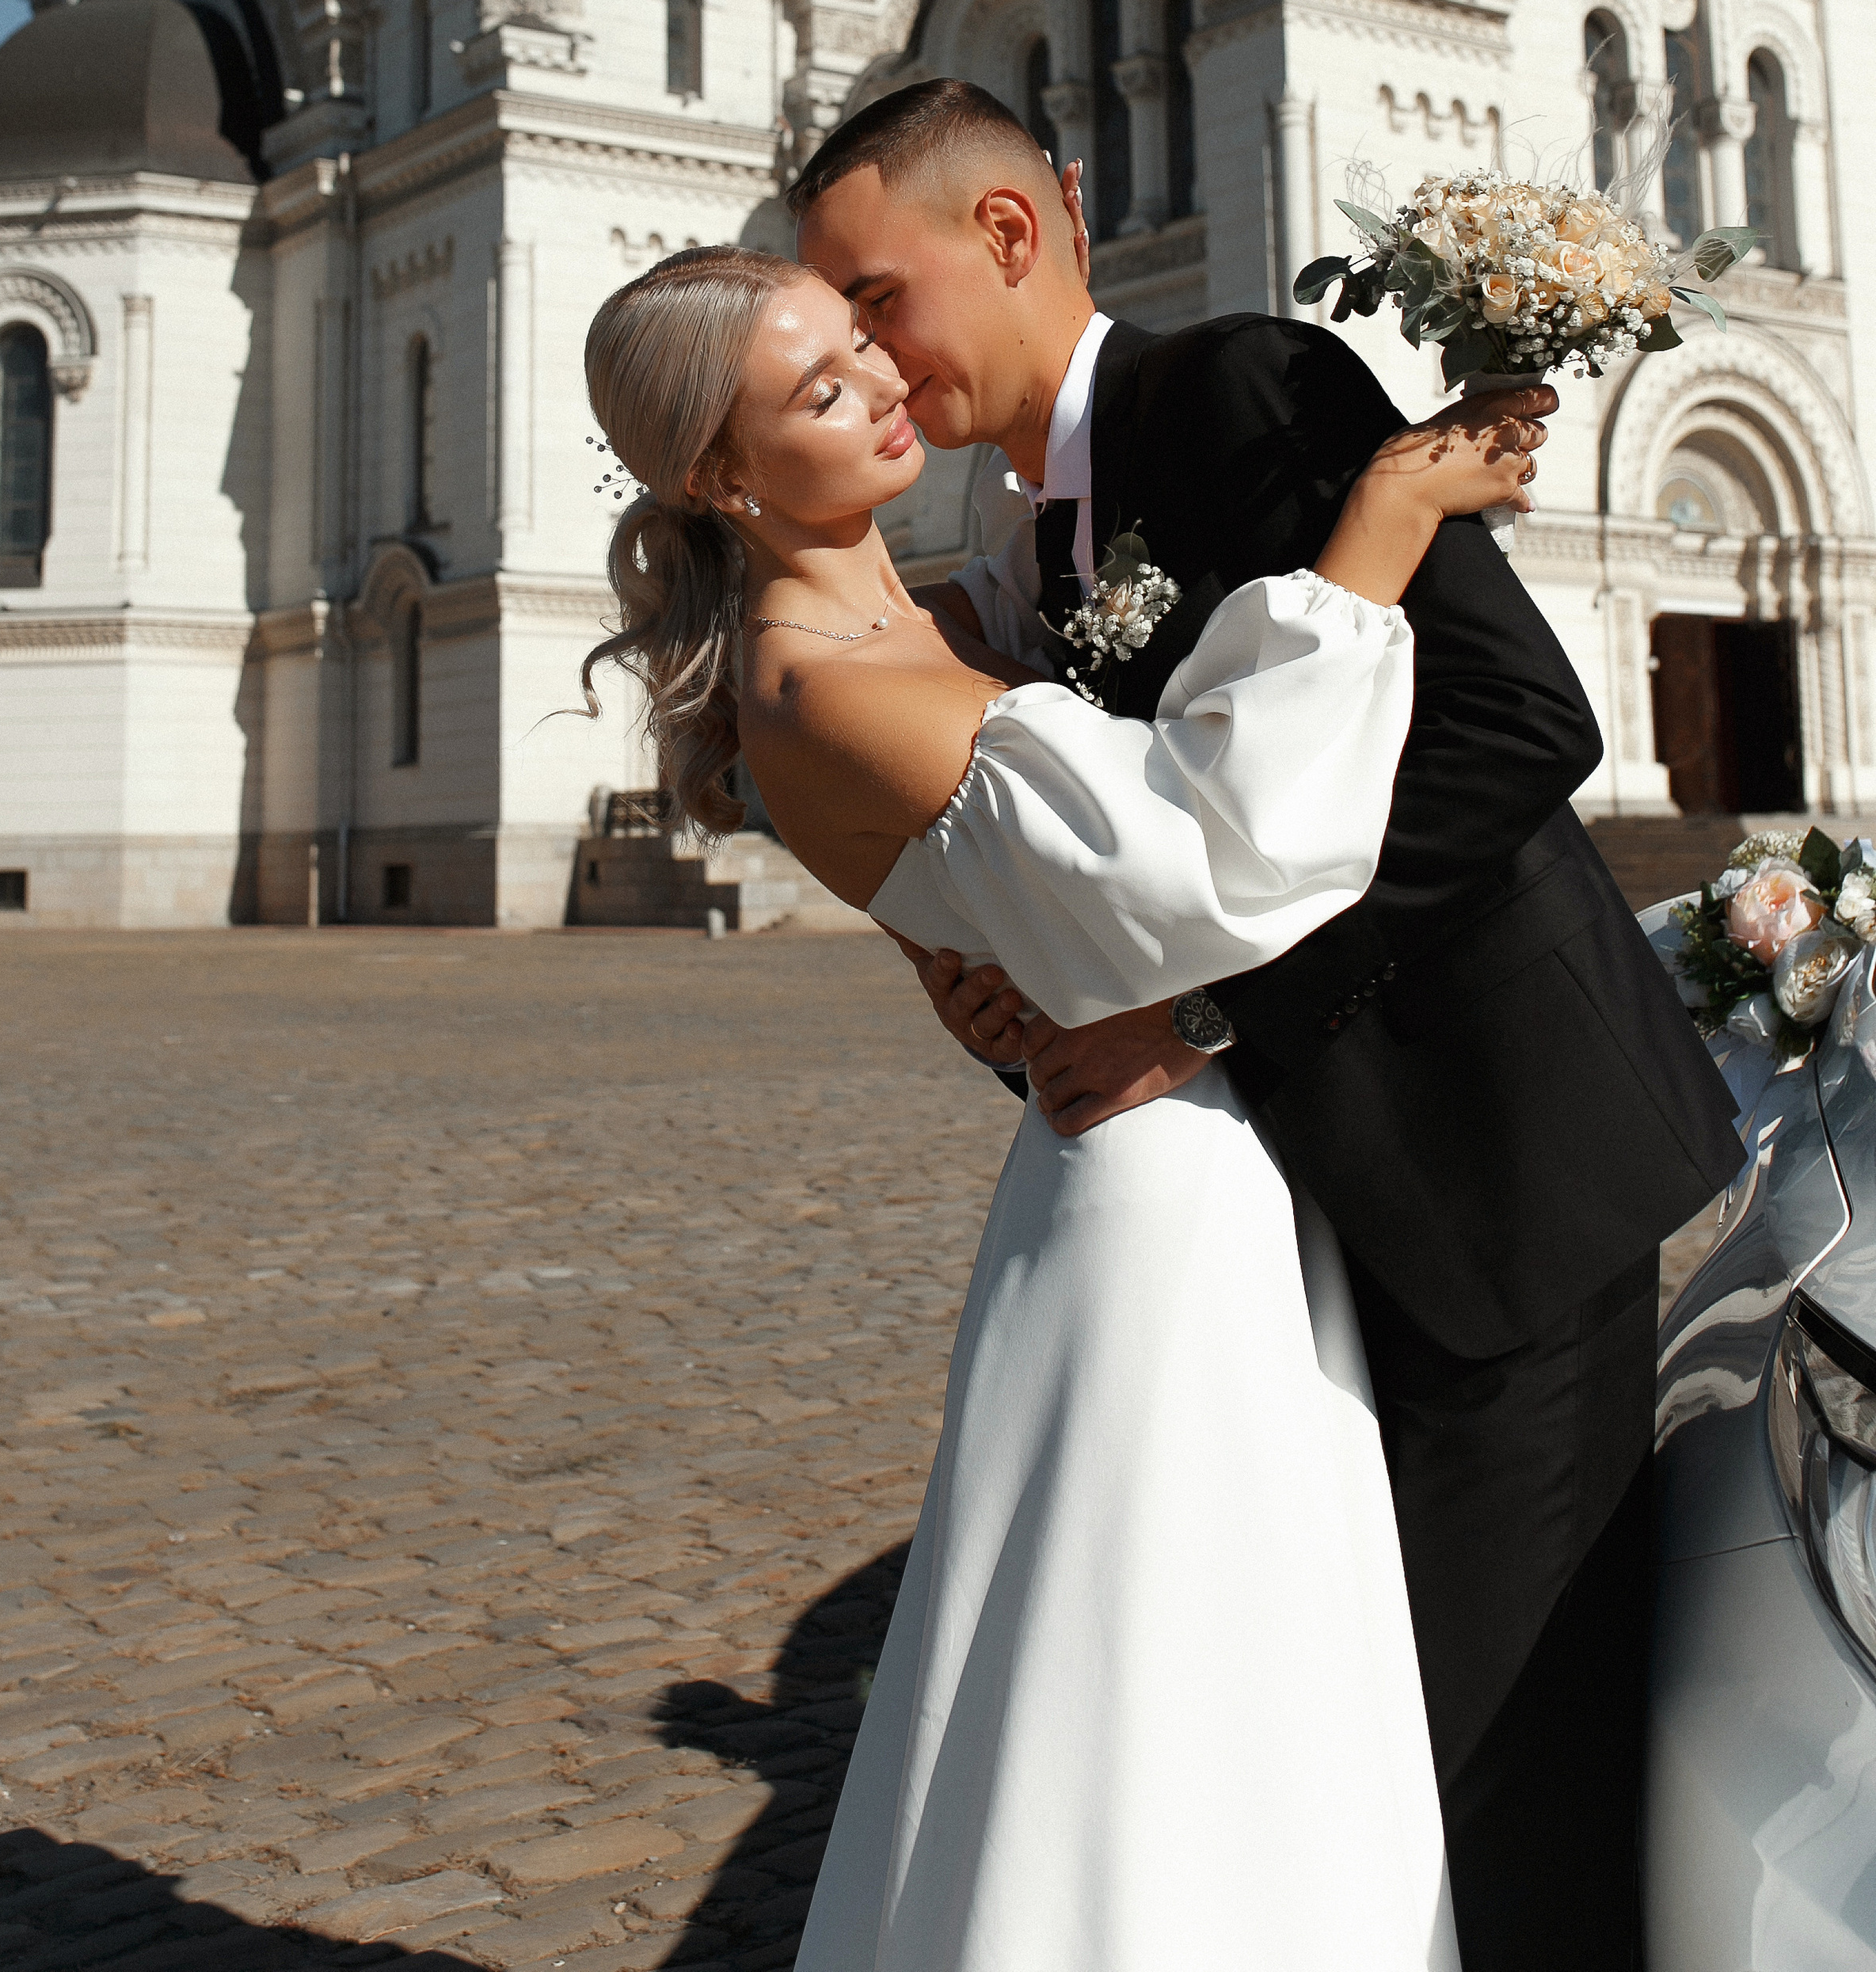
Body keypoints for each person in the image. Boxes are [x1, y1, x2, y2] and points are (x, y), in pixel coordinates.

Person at [786, 79, 1746, 1972]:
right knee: (1391, 1733)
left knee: (1504, 1744)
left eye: (872, 296)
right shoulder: (1022, 523)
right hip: (1319, 1195)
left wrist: (1197, 1009)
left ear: (1004, 235)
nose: (866, 355)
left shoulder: (1237, 389)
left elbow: (1510, 723)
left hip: (1498, 1160)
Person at [579, 238, 1545, 1970]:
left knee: (1233, 1668)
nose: (879, 384)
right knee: (1163, 1693)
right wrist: (1377, 529)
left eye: (861, 339)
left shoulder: (925, 614)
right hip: (1149, 1212)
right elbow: (1211, 853)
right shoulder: (832, 682)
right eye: (816, 388)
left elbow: (1040, 865)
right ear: (718, 477)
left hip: (1170, 1161)